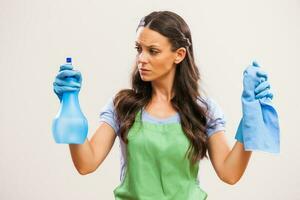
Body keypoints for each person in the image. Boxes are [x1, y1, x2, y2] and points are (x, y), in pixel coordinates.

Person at [53, 11, 273, 200]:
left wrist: (251, 115)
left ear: (179, 55)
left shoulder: (203, 110)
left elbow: (230, 172)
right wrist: (69, 104)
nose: (141, 58)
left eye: (153, 51)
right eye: (139, 48)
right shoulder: (123, 106)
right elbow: (86, 163)